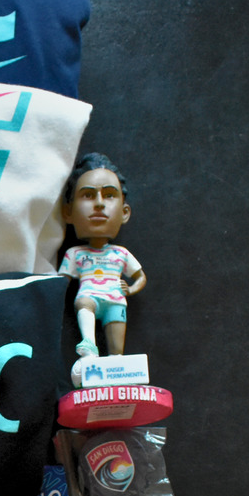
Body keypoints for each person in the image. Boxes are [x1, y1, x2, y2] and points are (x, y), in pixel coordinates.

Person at [59, 152, 146, 357]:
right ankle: (89, 344)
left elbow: (141, 277)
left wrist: (130, 289)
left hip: (116, 301)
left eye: (109, 195)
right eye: (88, 195)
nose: (99, 204)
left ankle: (116, 365)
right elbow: (61, 282)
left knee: (117, 353)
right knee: (84, 303)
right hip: (89, 298)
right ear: (68, 212)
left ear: (124, 212)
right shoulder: (75, 254)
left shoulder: (121, 253)